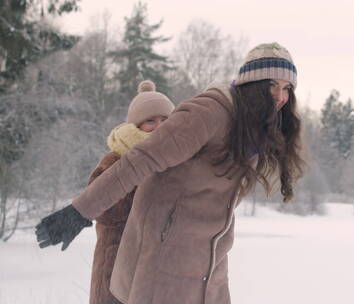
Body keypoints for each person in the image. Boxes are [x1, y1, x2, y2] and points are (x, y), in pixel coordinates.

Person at [35, 42, 305, 304]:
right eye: (272, 85)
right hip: (164, 260)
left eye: (287, 88)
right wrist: (80, 212)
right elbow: (139, 160)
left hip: (211, 267)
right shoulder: (207, 113)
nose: (281, 97)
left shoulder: (251, 130)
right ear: (252, 84)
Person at [88, 80, 174, 304]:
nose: (159, 126)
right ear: (136, 125)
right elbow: (101, 209)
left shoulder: (176, 160)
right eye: (150, 121)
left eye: (165, 120)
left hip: (159, 265)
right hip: (116, 262)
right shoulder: (116, 159)